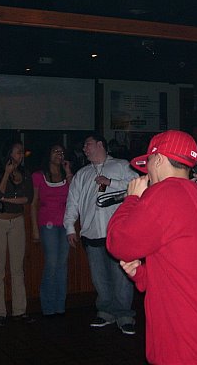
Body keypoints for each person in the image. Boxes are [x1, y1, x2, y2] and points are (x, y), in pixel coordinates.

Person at [107, 130, 197, 364]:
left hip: (185, 341)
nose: (146, 174)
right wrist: (141, 273)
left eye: (148, 164)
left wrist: (132, 199)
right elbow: (195, 268)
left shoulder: (164, 194)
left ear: (158, 159)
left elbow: (118, 243)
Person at [63, 133, 138, 334]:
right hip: (91, 233)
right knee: (99, 278)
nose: (84, 149)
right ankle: (106, 311)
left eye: (87, 144)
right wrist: (70, 227)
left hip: (118, 233)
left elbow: (138, 187)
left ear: (100, 145)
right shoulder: (82, 174)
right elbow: (72, 202)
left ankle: (124, 315)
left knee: (121, 276)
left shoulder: (122, 165)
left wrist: (110, 182)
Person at [0, 139, 35, 326]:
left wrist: (5, 199)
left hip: (17, 222)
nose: (21, 155)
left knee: (17, 269)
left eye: (22, 152)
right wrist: (6, 173)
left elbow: (28, 198)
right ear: (8, 153)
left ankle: (19, 311)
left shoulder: (25, 173)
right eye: (17, 151)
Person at [30, 143, 74, 317]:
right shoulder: (38, 176)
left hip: (65, 224)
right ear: (48, 154)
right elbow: (34, 203)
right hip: (47, 224)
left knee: (62, 265)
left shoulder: (66, 175)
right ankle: (48, 307)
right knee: (52, 264)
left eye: (61, 152)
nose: (59, 154)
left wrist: (68, 172)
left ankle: (60, 306)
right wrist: (34, 229)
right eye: (55, 151)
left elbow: (74, 195)